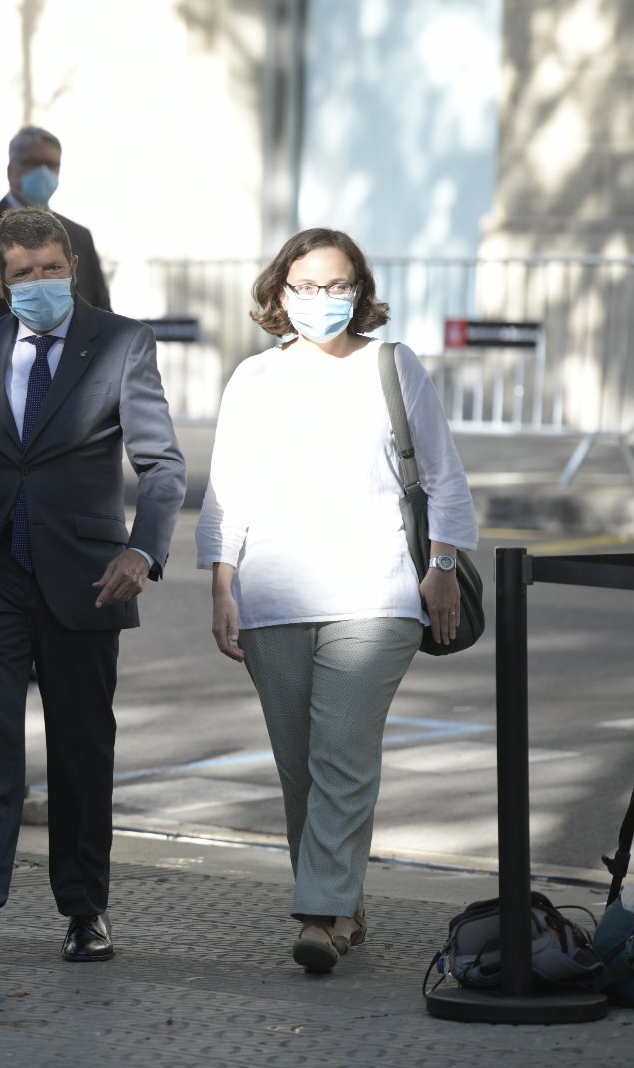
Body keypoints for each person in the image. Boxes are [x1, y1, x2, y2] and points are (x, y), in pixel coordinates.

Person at [0, 208, 185, 977]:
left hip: (90, 578)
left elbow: (161, 465)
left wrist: (143, 550)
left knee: (83, 752)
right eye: (25, 274)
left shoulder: (121, 343)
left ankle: (85, 910)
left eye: (54, 268)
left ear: (72, 265)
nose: (42, 283)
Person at [195, 227, 477, 973]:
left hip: (376, 592)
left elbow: (444, 476)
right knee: (302, 768)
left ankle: (318, 914)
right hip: (272, 596)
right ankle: (342, 901)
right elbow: (229, 491)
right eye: (307, 286)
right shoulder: (254, 378)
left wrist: (442, 563)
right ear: (279, 294)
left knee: (342, 754)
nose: (324, 300)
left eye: (339, 284)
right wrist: (222, 585)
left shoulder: (394, 366)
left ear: (362, 289)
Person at [0, 125, 111, 340]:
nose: (43, 172)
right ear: (11, 170)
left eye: (51, 164)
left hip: (74, 369)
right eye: (31, 164)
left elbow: (102, 314)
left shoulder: (79, 235)